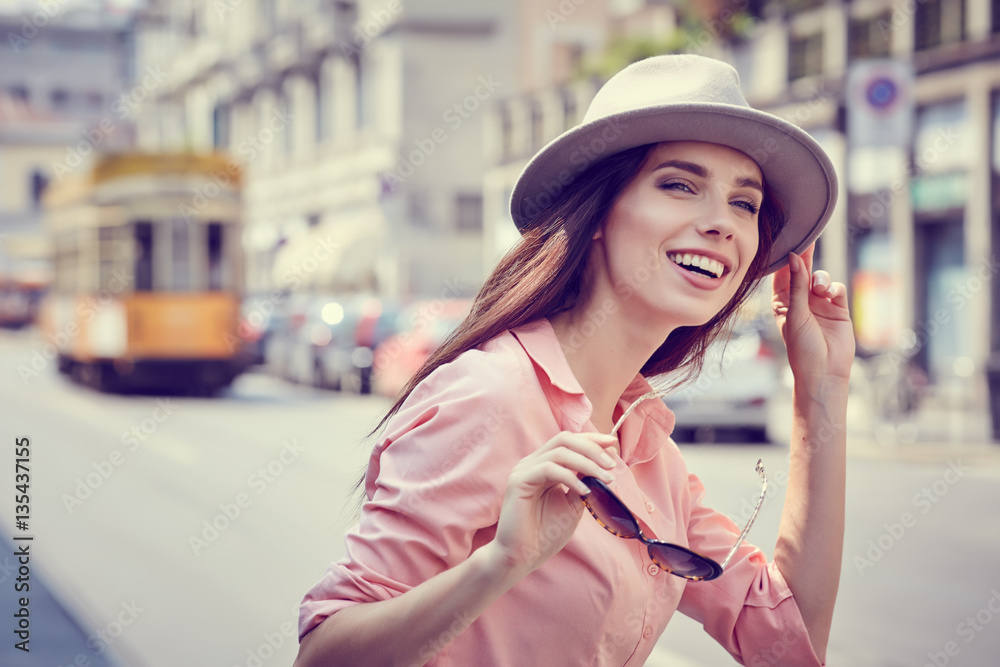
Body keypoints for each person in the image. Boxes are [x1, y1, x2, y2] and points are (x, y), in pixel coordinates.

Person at [295, 54, 854, 667]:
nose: (722, 223)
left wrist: (820, 389)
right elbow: (325, 656)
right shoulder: (490, 395)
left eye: (745, 203)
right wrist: (500, 564)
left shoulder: (646, 450)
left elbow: (788, 640)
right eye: (679, 185)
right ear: (596, 213)